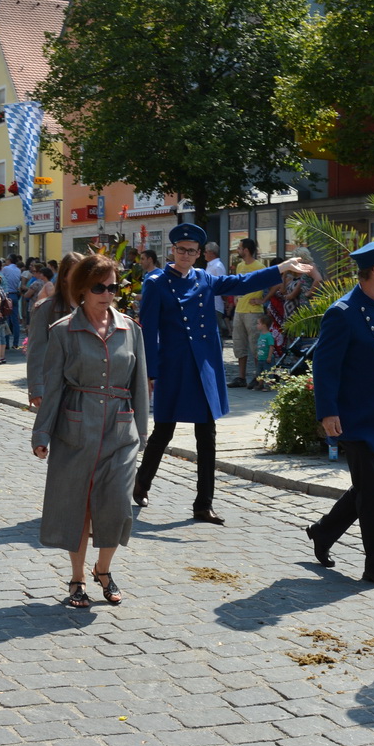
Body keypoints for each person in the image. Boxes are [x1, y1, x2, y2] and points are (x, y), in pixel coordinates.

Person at [133, 224, 314, 523]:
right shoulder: (156, 282)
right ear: (172, 250)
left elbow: (243, 282)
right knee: (163, 431)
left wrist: (282, 267)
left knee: (207, 434)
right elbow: (148, 331)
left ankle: (204, 503)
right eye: (181, 250)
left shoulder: (205, 278)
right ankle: (142, 482)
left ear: (200, 254)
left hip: (204, 367)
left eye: (192, 251)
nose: (186, 256)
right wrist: (150, 373)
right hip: (174, 367)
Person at [32, 253, 149, 608]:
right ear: (82, 288)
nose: (107, 293)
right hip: (75, 428)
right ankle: (77, 578)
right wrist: (42, 434)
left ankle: (104, 569)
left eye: (113, 287)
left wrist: (141, 432)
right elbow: (53, 386)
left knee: (116, 507)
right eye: (99, 287)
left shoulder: (131, 330)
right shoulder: (64, 331)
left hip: (120, 430)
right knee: (77, 508)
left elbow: (139, 384)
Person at [305, 237, 374, 586]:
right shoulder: (343, 312)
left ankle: (323, 532)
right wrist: (328, 412)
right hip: (355, 418)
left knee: (369, 488)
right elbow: (325, 366)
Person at [25, 252, 81, 408]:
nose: (80, 278)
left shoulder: (92, 307)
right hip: (57, 385)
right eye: (76, 273)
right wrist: (36, 388)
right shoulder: (47, 308)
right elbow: (36, 349)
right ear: (64, 276)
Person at [229, 238, 265, 388]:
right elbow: (239, 283)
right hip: (240, 310)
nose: (237, 250)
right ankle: (241, 377)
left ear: (246, 250)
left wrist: (263, 300)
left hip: (253, 312)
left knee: (255, 345)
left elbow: (274, 285)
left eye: (239, 248)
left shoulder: (260, 266)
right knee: (239, 344)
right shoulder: (240, 266)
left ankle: (259, 377)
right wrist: (237, 296)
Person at [251, 318, 276, 389]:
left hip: (267, 358)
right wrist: (257, 354)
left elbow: (271, 347)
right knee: (259, 372)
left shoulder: (269, 336)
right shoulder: (261, 335)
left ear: (264, 325)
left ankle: (268, 385)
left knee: (268, 372)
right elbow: (260, 346)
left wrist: (269, 356)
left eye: (258, 323)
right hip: (261, 358)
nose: (257, 325)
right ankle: (260, 384)